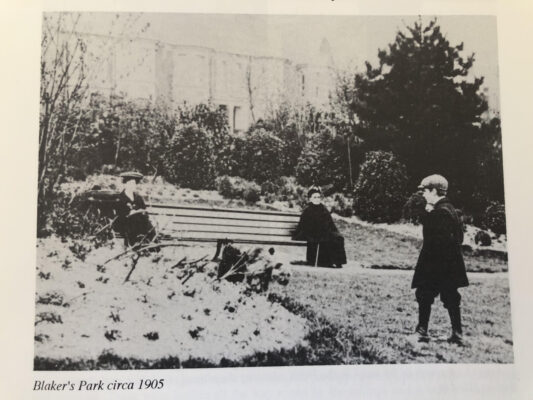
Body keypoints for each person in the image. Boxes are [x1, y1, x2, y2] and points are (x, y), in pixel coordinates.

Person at [412, 174, 468, 345]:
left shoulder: (440, 212)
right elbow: (459, 237)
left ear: (434, 191)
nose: (423, 195)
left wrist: (428, 215)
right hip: (449, 264)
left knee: (424, 294)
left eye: (425, 191)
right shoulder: (450, 209)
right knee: (450, 296)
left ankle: (422, 332)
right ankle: (457, 334)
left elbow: (435, 240)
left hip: (436, 264)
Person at [292, 186, 347, 268]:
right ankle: (324, 261)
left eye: (318, 197)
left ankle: (337, 261)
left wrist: (333, 231)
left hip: (324, 231)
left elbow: (330, 223)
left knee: (338, 237)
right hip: (311, 233)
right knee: (325, 238)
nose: (317, 199)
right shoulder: (308, 210)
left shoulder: (323, 209)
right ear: (310, 199)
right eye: (314, 197)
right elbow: (305, 225)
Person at [112, 171, 157, 249]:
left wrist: (142, 213)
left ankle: (154, 249)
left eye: (134, 183)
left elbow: (144, 210)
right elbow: (119, 214)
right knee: (132, 225)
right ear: (125, 184)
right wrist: (129, 213)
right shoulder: (120, 198)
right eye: (131, 183)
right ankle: (134, 248)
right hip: (124, 223)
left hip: (139, 221)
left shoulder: (138, 198)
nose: (133, 186)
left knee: (149, 226)